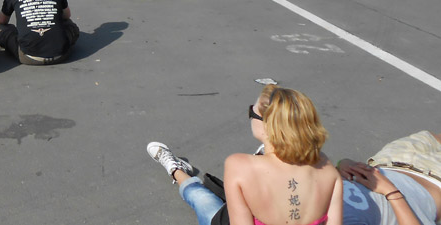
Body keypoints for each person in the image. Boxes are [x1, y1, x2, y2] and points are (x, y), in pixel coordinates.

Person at [146, 85, 342, 225]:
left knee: (201, 199)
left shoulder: (238, 165)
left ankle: (176, 170)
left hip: (243, 198)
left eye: (252, 111)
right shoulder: (328, 169)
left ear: (266, 124)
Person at [338, 129, 441, 225]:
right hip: (435, 178)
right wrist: (390, 191)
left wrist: (342, 165)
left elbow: (326, 164)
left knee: (431, 137)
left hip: (389, 159)